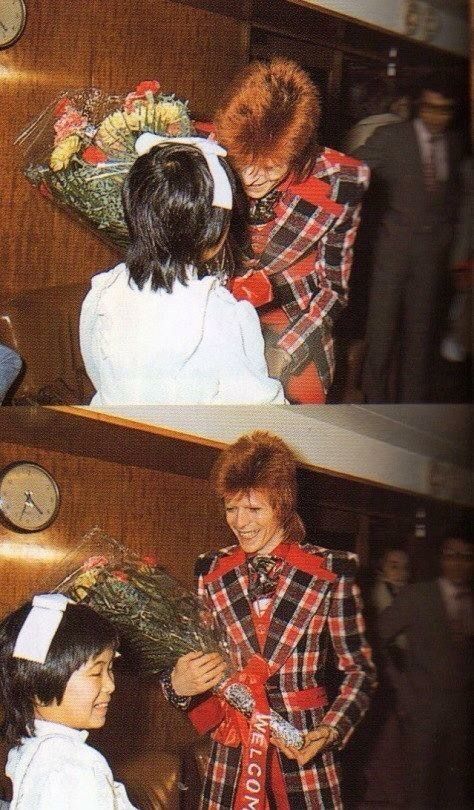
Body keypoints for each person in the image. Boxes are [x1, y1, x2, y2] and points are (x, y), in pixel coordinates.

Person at [162, 431, 377, 809]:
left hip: (303, 749)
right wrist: (178, 683)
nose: (239, 522)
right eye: (231, 508)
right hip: (232, 751)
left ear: (282, 505)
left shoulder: (332, 570)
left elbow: (361, 672)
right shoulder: (210, 570)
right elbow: (190, 660)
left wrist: (330, 731)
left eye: (254, 509)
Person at [80, 138, 284, 405]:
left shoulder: (103, 292)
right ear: (214, 232)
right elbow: (258, 406)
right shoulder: (216, 313)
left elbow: (98, 375)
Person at [213, 58, 369, 404]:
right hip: (213, 312)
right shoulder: (211, 153)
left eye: (270, 166)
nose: (251, 177)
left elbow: (332, 290)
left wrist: (287, 350)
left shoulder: (340, 182)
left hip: (295, 317)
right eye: (242, 162)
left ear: (297, 152)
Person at [355, 72, 464, 402]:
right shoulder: (393, 137)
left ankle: (409, 407)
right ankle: (372, 406)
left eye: (444, 110)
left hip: (432, 260)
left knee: (419, 342)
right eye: (430, 107)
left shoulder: (458, 145)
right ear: (419, 105)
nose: (436, 117)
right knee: (381, 336)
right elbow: (353, 169)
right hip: (393, 253)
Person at [0, 594, 137, 809]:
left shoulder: (34, 747)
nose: (110, 685)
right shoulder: (74, 767)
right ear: (38, 683)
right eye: (96, 672)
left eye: (109, 669)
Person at [378, 523, 473, 809]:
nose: (457, 562)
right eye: (450, 554)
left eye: (466, 556)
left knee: (458, 790)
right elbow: (376, 638)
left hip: (463, 717)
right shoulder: (418, 595)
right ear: (440, 558)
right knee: (420, 790)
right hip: (421, 712)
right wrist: (400, 688)